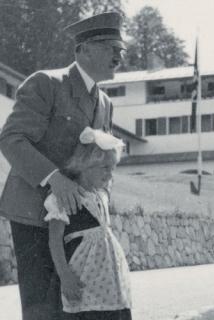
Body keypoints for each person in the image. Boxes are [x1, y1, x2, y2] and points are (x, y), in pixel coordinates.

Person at [0, 12, 126, 320]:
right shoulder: (46, 84)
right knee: (43, 306)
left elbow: (100, 160)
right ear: (84, 49)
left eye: (121, 50)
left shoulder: (105, 102)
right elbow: (12, 138)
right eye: (111, 47)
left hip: (81, 223)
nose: (119, 56)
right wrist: (54, 178)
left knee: (79, 306)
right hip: (35, 214)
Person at [45, 127, 131, 320]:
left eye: (113, 168)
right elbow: (55, 240)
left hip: (109, 280)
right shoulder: (66, 198)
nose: (110, 175)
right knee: (87, 311)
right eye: (105, 168)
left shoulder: (100, 195)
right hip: (84, 276)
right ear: (85, 164)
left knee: (113, 310)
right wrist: (65, 276)